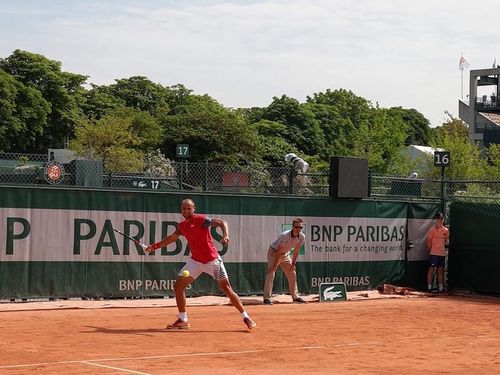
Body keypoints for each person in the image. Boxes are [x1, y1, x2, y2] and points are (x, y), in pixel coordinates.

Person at [145, 198, 256, 330]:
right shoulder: (182, 226)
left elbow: (222, 222)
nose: (186, 211)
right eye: (184, 209)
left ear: (194, 209)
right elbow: (171, 239)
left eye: (188, 208)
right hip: (195, 261)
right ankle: (183, 319)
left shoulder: (201, 220)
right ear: (181, 210)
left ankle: (246, 317)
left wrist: (225, 235)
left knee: (227, 289)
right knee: (178, 286)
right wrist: (154, 246)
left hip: (213, 261)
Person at [263, 218, 307, 305]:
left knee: (292, 272)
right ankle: (266, 298)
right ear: (293, 227)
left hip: (285, 254)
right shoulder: (285, 235)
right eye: (296, 227)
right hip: (274, 253)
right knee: (271, 273)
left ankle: (295, 297)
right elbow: (278, 251)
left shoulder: (302, 237)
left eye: (300, 227)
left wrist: (293, 263)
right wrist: (274, 265)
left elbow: (296, 250)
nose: (298, 229)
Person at [426, 212, 450, 293]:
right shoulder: (432, 230)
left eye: (441, 219)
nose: (440, 220)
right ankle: (429, 287)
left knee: (441, 270)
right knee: (431, 269)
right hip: (433, 253)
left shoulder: (446, 230)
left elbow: (446, 240)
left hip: (442, 254)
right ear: (436, 220)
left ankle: (440, 288)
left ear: (443, 220)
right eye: (438, 219)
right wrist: (430, 250)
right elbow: (429, 241)